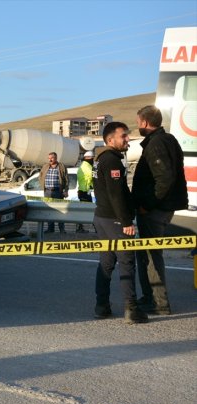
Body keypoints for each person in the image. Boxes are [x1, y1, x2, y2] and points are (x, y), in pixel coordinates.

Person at [132, 105, 188, 315]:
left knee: (150, 257)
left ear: (145, 122)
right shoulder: (168, 140)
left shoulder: (156, 143)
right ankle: (152, 298)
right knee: (149, 255)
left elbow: (164, 179)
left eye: (138, 122)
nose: (137, 126)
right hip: (163, 208)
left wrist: (148, 205)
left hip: (155, 210)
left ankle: (158, 302)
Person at [92, 122, 147, 324]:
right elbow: (116, 195)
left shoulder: (101, 159)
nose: (128, 140)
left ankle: (101, 306)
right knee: (126, 263)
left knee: (106, 263)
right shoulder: (112, 161)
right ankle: (131, 309)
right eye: (123, 136)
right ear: (110, 140)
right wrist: (126, 221)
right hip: (114, 220)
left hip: (101, 217)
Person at [39, 151, 69, 233]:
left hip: (57, 192)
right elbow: (40, 176)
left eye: (52, 158)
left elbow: (66, 180)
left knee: (60, 211)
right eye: (49, 158)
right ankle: (50, 229)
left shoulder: (61, 167)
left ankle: (62, 229)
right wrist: (43, 186)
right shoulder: (45, 166)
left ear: (56, 158)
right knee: (49, 211)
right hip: (47, 192)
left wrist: (65, 190)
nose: (50, 160)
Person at [76, 150, 95, 233]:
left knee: (84, 211)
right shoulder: (87, 167)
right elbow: (93, 177)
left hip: (84, 191)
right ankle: (97, 228)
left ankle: (80, 228)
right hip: (85, 191)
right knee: (90, 211)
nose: (93, 159)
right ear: (87, 158)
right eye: (92, 158)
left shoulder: (83, 165)